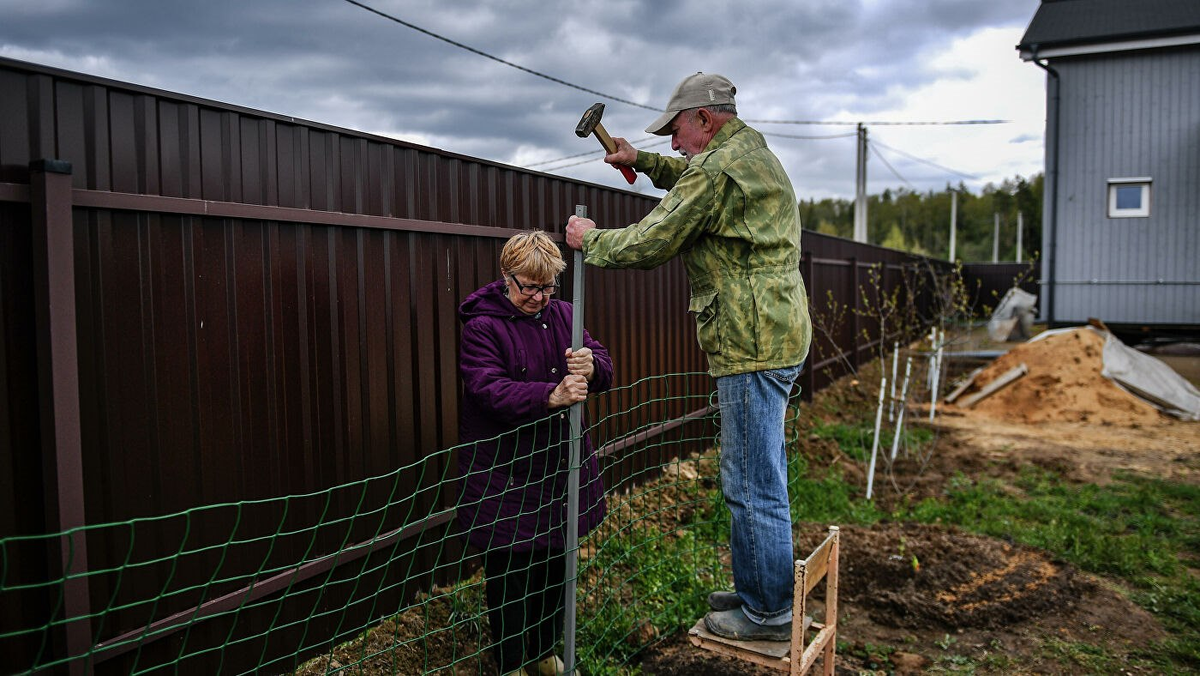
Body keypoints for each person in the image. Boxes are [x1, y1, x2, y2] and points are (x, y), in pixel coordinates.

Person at [565, 72, 811, 642]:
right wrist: (641, 160)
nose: (673, 144)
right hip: (774, 332)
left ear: (705, 117)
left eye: (677, 131)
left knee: (750, 483)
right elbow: (692, 174)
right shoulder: (747, 152)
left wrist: (590, 240)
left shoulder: (719, 168)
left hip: (749, 341)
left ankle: (769, 613)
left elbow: (654, 240)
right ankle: (761, 589)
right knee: (760, 475)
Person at [457, 230, 613, 675]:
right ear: (507, 277)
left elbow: (603, 366)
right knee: (509, 579)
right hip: (504, 474)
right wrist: (552, 395)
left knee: (553, 571)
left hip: (558, 471)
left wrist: (592, 366)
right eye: (529, 286)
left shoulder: (565, 313)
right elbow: (488, 389)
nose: (539, 297)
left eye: (547, 287)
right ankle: (510, 664)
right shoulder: (482, 325)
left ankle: (544, 655)